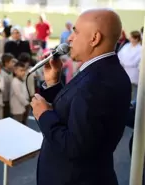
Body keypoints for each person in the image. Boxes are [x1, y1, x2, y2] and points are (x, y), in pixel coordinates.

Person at [30, 9, 131, 185]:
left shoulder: (99, 81)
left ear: (94, 38)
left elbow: (74, 146)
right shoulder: (103, 70)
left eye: (75, 32)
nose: (69, 38)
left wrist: (43, 115)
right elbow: (75, 112)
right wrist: (54, 83)